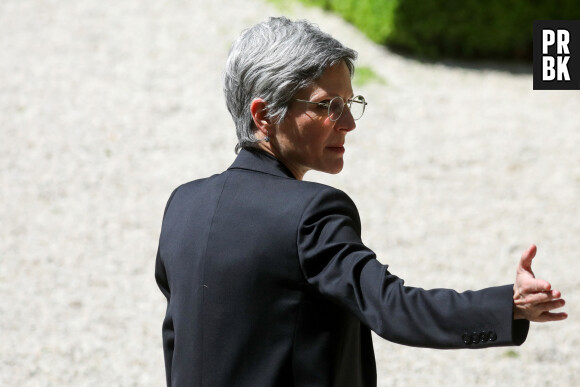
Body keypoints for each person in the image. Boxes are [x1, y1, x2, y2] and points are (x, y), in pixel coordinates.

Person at [155, 16, 567, 387]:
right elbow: (393, 308)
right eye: (327, 107)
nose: (349, 123)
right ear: (264, 116)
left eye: (349, 103)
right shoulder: (310, 213)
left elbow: (178, 340)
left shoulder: (183, 205)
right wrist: (507, 306)